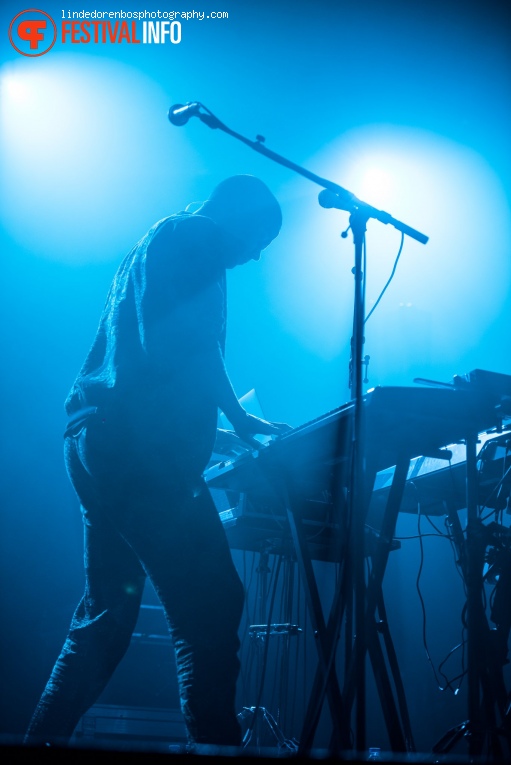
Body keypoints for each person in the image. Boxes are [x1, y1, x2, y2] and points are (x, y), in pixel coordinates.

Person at [25, 175, 289, 748]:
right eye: (260, 238)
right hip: (140, 457)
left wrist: (217, 432)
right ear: (237, 216)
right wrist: (239, 421)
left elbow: (152, 363)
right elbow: (195, 344)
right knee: (213, 605)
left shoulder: (154, 243)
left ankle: (39, 744)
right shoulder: (197, 236)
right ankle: (216, 746)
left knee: (103, 620)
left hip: (99, 442)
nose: (256, 254)